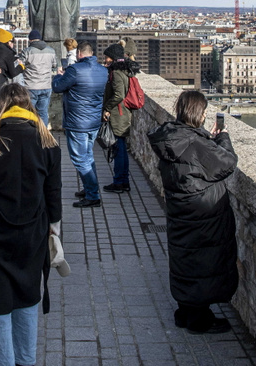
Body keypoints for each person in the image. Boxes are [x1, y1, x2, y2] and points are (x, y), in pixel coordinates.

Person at [0, 83, 62, 366]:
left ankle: (3, 361)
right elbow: (53, 193)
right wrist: (54, 229)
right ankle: (26, 360)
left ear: (0, 107)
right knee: (28, 296)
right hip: (32, 234)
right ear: (29, 106)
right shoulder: (48, 143)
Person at [147, 90, 238, 335]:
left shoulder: (172, 137)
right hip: (202, 213)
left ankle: (185, 312)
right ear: (198, 113)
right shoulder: (195, 142)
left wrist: (208, 139)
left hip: (180, 211)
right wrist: (223, 138)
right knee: (202, 262)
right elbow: (226, 163)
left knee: (185, 259)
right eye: (205, 112)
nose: (207, 116)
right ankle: (199, 319)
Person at [51, 41, 108, 208]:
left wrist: (59, 75)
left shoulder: (75, 70)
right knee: (88, 156)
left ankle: (92, 194)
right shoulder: (103, 71)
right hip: (93, 121)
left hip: (77, 122)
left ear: (80, 54)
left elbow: (57, 88)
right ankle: (89, 188)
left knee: (80, 158)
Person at [101, 43, 140, 193]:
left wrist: (107, 108)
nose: (105, 59)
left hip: (119, 114)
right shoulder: (126, 70)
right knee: (121, 148)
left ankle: (119, 182)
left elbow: (119, 95)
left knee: (118, 149)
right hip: (124, 113)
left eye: (107, 56)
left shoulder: (116, 73)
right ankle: (124, 181)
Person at [16, 29, 60, 127]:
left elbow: (19, 65)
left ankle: (30, 132)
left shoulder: (26, 51)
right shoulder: (51, 51)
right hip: (46, 86)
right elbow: (54, 65)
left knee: (29, 112)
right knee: (43, 112)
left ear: (30, 40)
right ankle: (43, 134)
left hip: (31, 86)